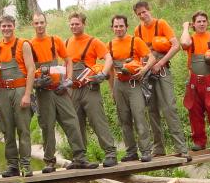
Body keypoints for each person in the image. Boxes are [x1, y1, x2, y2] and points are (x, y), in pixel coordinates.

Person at [30, 12, 99, 172]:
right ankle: (49, 162)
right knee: (47, 126)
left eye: (42, 22)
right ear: (33, 25)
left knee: (72, 122)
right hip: (43, 92)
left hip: (60, 90)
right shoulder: (29, 45)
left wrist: (68, 81)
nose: (39, 26)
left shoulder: (55, 41)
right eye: (36, 23)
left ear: (45, 23)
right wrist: (36, 82)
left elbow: (68, 61)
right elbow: (27, 69)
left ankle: (80, 159)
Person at [133, 1, 190, 160]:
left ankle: (181, 148)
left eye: (144, 12)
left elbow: (176, 45)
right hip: (147, 73)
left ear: (149, 10)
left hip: (162, 70)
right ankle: (158, 148)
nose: (143, 15)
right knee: (151, 110)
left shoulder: (161, 24)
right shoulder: (137, 30)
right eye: (139, 14)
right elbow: (138, 53)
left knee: (169, 108)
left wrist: (161, 63)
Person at [66, 12, 118, 168]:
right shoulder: (67, 42)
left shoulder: (93, 42)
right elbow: (64, 64)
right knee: (75, 124)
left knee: (98, 120)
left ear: (83, 24)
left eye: (77, 23)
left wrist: (103, 74)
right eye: (72, 24)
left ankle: (110, 154)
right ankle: (79, 158)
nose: (74, 26)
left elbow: (108, 58)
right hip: (73, 90)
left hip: (90, 88)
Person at [0, 15, 35, 177]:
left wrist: (28, 94)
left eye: (9, 26)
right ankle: (12, 166)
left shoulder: (24, 45)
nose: (6, 29)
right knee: (7, 130)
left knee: (23, 129)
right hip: (2, 93)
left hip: (20, 90)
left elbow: (31, 69)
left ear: (14, 26)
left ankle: (26, 165)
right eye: (3, 26)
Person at [180, 11, 210, 156]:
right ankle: (199, 142)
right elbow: (183, 43)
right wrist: (185, 28)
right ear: (193, 24)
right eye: (198, 22)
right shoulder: (190, 39)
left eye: (204, 21)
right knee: (194, 111)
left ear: (207, 23)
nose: (201, 24)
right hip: (194, 82)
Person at [108, 14, 155, 162]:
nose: (118, 29)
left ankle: (146, 151)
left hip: (134, 83)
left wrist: (143, 70)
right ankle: (131, 152)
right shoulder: (109, 45)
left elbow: (152, 58)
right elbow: (109, 70)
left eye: (121, 26)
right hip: (118, 84)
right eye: (116, 26)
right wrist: (112, 90)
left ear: (126, 27)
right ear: (112, 28)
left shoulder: (136, 41)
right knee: (124, 119)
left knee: (139, 116)